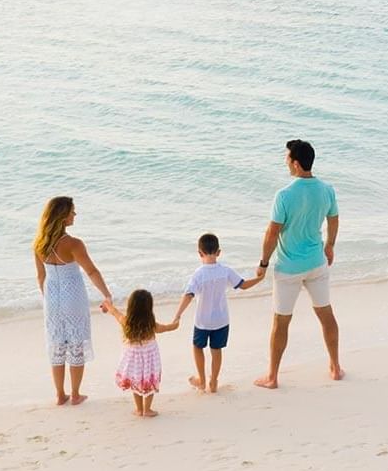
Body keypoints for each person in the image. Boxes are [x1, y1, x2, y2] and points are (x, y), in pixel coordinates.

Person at [254, 139, 341, 388]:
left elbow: (272, 233)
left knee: (281, 321)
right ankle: (335, 367)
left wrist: (263, 263)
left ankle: (272, 377)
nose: (285, 162)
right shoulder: (327, 190)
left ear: (296, 163)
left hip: (289, 268)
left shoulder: (284, 195)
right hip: (317, 263)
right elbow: (333, 219)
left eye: (287, 158)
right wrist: (330, 245)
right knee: (326, 314)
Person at [33, 196, 114, 406]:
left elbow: (41, 277)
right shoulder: (74, 244)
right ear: (62, 216)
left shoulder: (39, 244)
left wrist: (48, 298)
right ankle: (76, 394)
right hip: (73, 298)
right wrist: (107, 295)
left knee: (57, 345)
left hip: (51, 300)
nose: (74, 215)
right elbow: (92, 271)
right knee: (76, 345)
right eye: (72, 211)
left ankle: (60, 395)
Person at [172, 233, 264, 393]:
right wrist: (260, 279)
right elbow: (243, 285)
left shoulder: (199, 274)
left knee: (197, 347)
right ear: (218, 252)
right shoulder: (225, 271)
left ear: (199, 253)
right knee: (216, 350)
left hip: (203, 321)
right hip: (222, 320)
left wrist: (177, 315)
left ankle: (201, 380)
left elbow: (188, 296)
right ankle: (213, 381)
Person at [101, 290, 179, 417]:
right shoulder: (151, 325)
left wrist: (107, 304)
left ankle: (139, 409)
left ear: (131, 306)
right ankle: (147, 409)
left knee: (135, 381)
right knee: (149, 381)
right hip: (150, 360)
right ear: (149, 307)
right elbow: (167, 328)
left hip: (134, 360)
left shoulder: (127, 322)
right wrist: (176, 323)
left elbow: (115, 313)